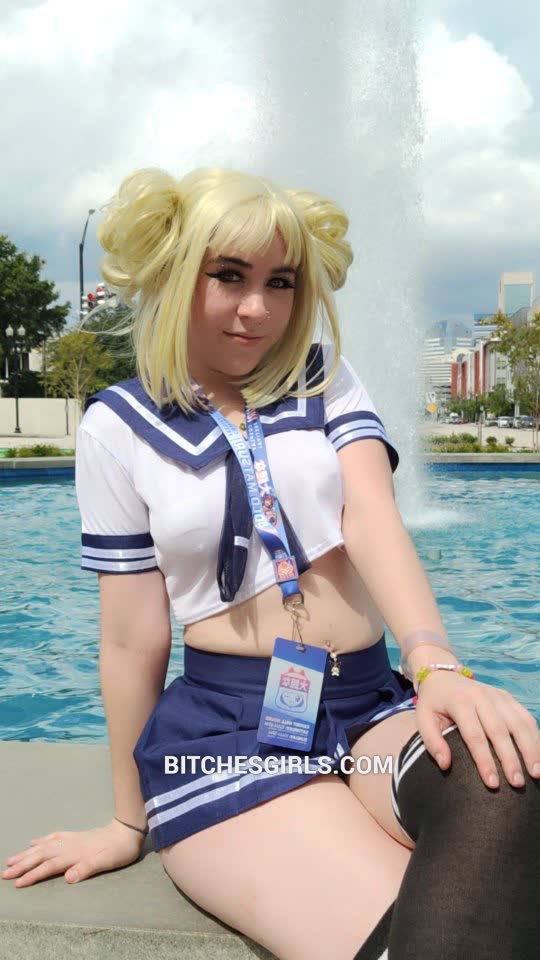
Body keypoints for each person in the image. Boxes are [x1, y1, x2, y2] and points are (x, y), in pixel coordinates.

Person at [3, 166, 539, 960]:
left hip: (370, 708)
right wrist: (125, 821)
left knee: (504, 789)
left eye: (279, 282)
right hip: (228, 729)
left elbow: (372, 517)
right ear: (174, 276)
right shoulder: (117, 426)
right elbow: (131, 638)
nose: (257, 308)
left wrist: (435, 664)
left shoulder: (324, 378)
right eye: (229, 276)